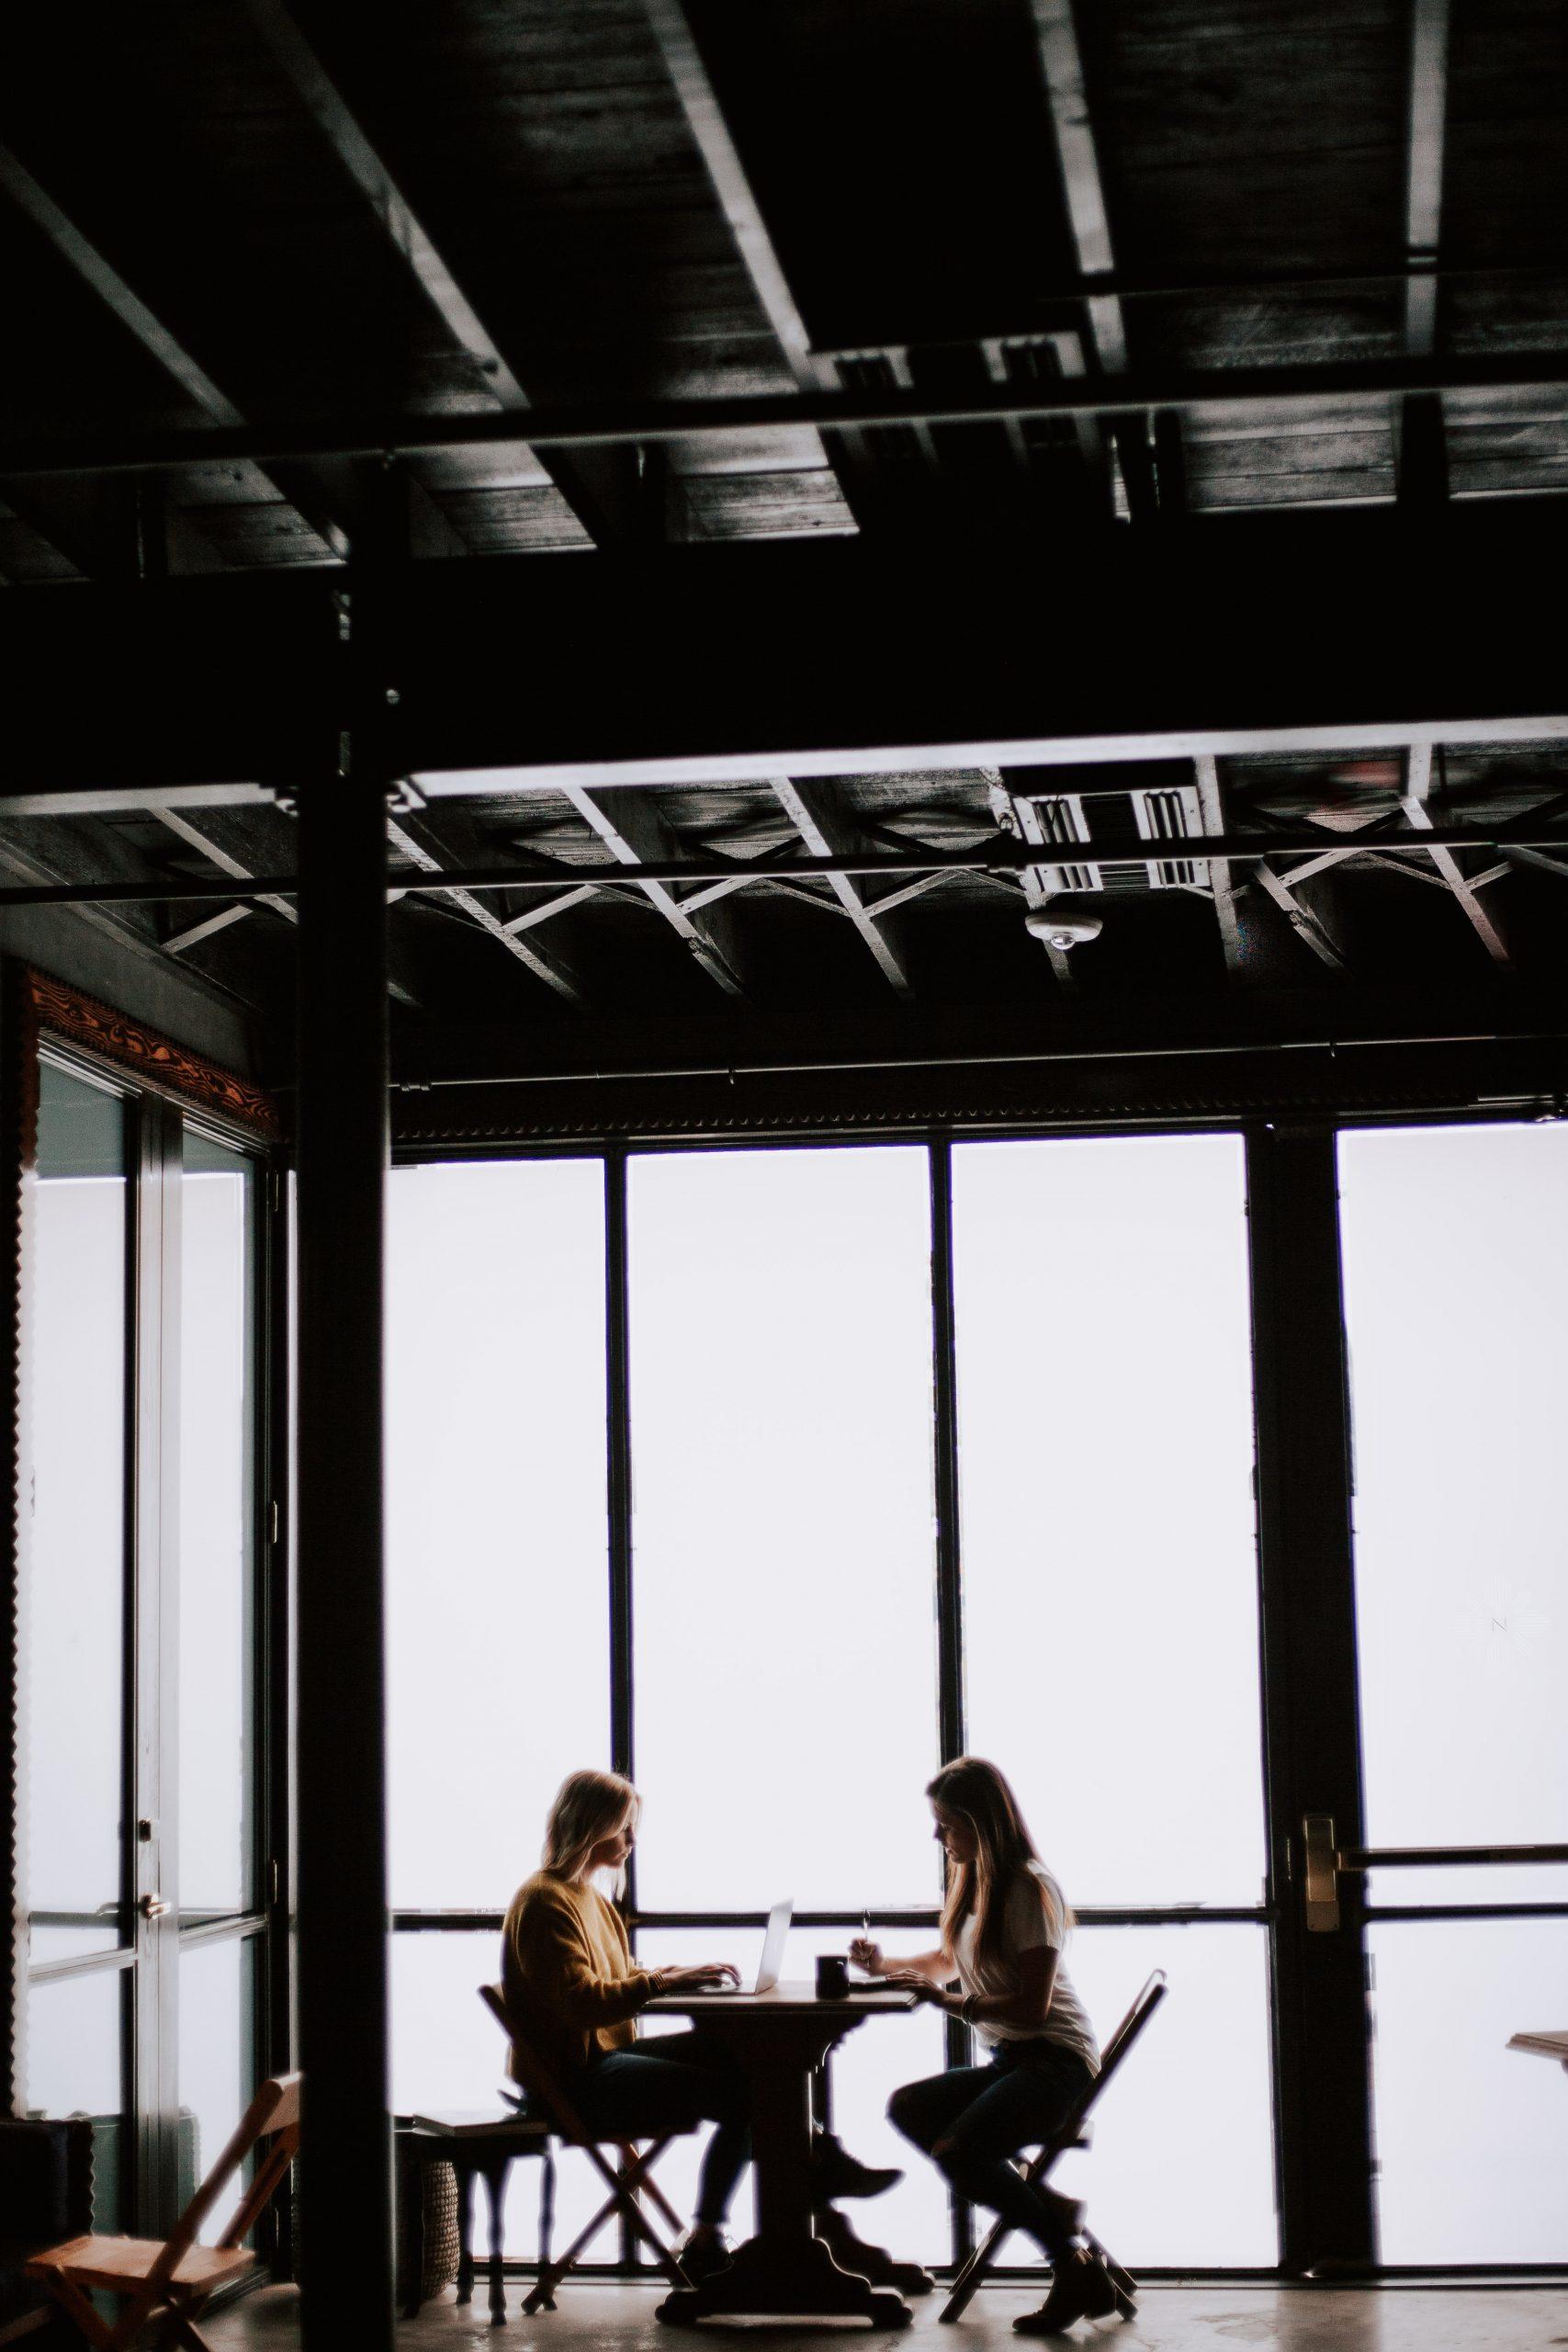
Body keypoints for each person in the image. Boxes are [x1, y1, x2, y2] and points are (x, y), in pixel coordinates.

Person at [503, 1767, 896, 2282]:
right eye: (623, 1827)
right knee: (750, 2091)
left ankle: (810, 2177)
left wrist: (678, 1975)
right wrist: (665, 1984)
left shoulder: (590, 1899)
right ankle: (754, 2212)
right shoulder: (545, 1901)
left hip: (599, 2062)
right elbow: (583, 2004)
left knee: (745, 2059)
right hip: (573, 2080)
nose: (631, 1840)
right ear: (590, 1825)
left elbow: (618, 1980)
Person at [854, 1756, 1115, 2335]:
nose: (936, 1835)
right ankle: (1051, 2211)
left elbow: (1032, 2007)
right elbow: (950, 1963)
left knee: (958, 2150)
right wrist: (886, 1967)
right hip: (1014, 2060)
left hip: (1057, 2064)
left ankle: (1068, 2263)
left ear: (982, 1824)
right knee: (909, 2107)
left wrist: (943, 2001)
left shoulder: (1028, 1888)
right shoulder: (977, 1882)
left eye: (946, 1824)